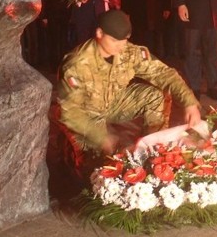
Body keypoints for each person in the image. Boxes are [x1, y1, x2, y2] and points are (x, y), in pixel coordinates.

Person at [56, 10, 202, 154]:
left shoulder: (128, 51)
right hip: (88, 114)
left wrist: (188, 103)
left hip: (114, 103)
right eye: (114, 40)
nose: (120, 46)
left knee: (154, 96)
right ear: (99, 33)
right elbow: (70, 111)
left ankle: (154, 147)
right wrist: (102, 138)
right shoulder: (77, 64)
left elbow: (164, 73)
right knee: (100, 161)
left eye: (124, 40)